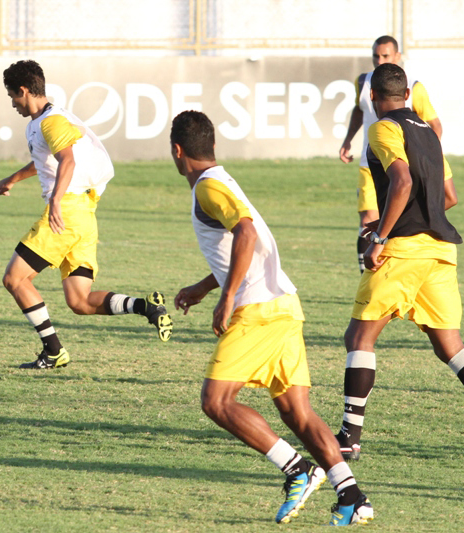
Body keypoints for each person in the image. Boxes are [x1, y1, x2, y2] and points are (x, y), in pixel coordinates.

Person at [170, 110, 373, 526]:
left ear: (177, 151)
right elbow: (245, 245)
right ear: (212, 145)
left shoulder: (208, 187)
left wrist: (227, 296)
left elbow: (246, 232)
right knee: (298, 413)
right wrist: (205, 286)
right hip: (284, 306)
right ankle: (353, 496)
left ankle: (297, 469)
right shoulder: (221, 180)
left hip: (257, 310)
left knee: (216, 401)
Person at [334, 63, 464, 464]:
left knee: (359, 338)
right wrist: (417, 215)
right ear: (407, 94)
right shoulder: (430, 133)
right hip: (440, 250)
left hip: (403, 251)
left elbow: (401, 181)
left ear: (372, 96)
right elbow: (449, 197)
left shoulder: (383, 128)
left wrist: (380, 236)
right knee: (450, 345)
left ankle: (349, 438)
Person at [0, 60, 173, 369]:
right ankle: (145, 307)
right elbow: (47, 161)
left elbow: (68, 160)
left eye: (12, 95)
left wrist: (55, 200)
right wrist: (13, 178)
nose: (12, 103)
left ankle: (53, 351)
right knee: (80, 301)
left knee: (15, 279)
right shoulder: (47, 121)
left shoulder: (52, 122)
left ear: (23, 91)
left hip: (67, 211)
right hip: (84, 215)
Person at [339, 35, 443, 273]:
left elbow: (434, 125)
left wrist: (428, 158)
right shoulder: (363, 82)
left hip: (403, 165)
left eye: (385, 55)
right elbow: (359, 110)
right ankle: (367, 273)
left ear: (397, 56)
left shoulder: (414, 86)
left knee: (398, 215)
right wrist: (348, 140)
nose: (379, 60)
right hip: (370, 164)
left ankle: (391, 267)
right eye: (375, 56)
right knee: (368, 219)